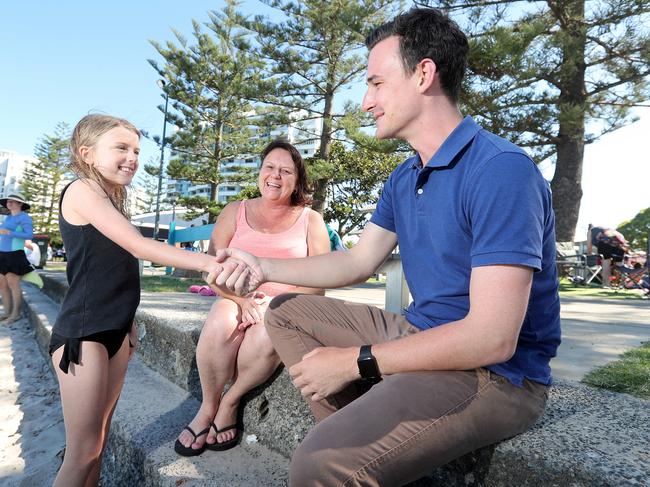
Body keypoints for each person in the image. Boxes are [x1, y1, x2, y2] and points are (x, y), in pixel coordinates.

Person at [211, 8, 561, 486]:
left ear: (423, 73)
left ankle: (348, 452)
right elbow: (357, 261)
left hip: (495, 375)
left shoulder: (501, 170)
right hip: (419, 330)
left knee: (318, 463)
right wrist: (259, 264)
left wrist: (356, 361)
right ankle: (369, 441)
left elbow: (491, 338)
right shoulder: (406, 175)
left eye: (376, 83)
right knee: (287, 312)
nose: (365, 102)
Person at [49, 114, 223, 487]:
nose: (132, 157)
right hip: (84, 336)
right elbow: (137, 245)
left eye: (137, 151)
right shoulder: (81, 190)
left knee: (99, 443)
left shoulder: (111, 199)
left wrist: (127, 322)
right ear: (87, 154)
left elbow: (114, 269)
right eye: (121, 148)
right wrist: (208, 262)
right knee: (82, 453)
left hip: (115, 332)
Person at [174, 140, 330, 456]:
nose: (276, 176)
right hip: (235, 296)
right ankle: (208, 406)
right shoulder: (235, 211)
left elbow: (320, 280)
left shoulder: (310, 220)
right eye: (269, 167)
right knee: (220, 320)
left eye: (286, 171)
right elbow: (211, 268)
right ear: (260, 172)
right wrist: (241, 300)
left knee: (265, 334)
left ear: (297, 179)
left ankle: (231, 401)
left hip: (285, 306)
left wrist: (272, 304)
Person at [0, 192, 35, 323]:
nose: (9, 202)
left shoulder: (24, 217)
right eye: (8, 201)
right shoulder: (8, 218)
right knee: (2, 285)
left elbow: (29, 235)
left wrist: (10, 232)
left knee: (13, 284)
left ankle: (16, 314)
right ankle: (7, 313)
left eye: (12, 201)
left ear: (20, 204)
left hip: (14, 255)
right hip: (2, 254)